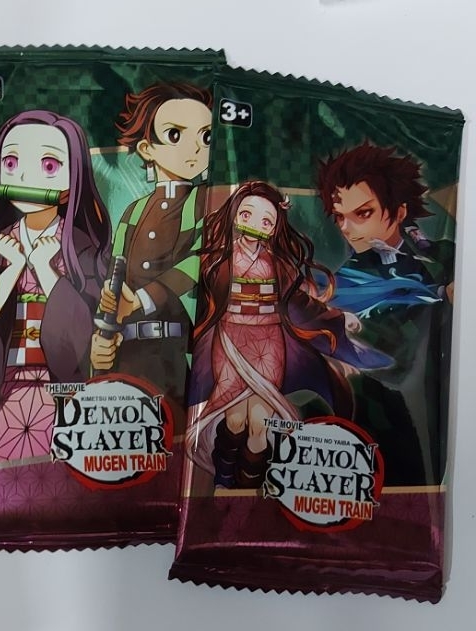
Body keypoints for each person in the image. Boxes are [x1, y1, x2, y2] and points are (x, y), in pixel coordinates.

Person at [187, 181, 388, 489]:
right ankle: (224, 479)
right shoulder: (216, 260)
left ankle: (248, 485)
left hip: (269, 344)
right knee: (235, 420)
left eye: (266, 221)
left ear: (274, 228)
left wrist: (338, 318)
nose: (255, 225)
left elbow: (300, 303)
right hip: (229, 343)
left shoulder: (277, 264)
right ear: (234, 216)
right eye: (247, 215)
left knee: (259, 423)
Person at [0, 109, 111, 462]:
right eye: (12, 163)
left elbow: (88, 325)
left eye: (48, 166)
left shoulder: (80, 247)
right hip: (3, 382)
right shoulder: (0, 246)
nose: (25, 177)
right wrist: (11, 269)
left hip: (61, 384)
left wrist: (47, 273)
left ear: (73, 178)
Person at [317, 142, 455, 484]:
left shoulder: (445, 257)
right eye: (340, 217)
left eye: (362, 213)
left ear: (399, 211)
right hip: (380, 424)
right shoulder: (344, 283)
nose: (347, 228)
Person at [90, 82, 212, 412]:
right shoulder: (133, 212)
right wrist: (102, 335)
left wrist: (141, 299)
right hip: (127, 356)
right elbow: (113, 278)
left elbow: (199, 260)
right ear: (147, 148)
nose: (195, 148)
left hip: (176, 359)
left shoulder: (203, 203)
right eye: (175, 135)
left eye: (206, 137)